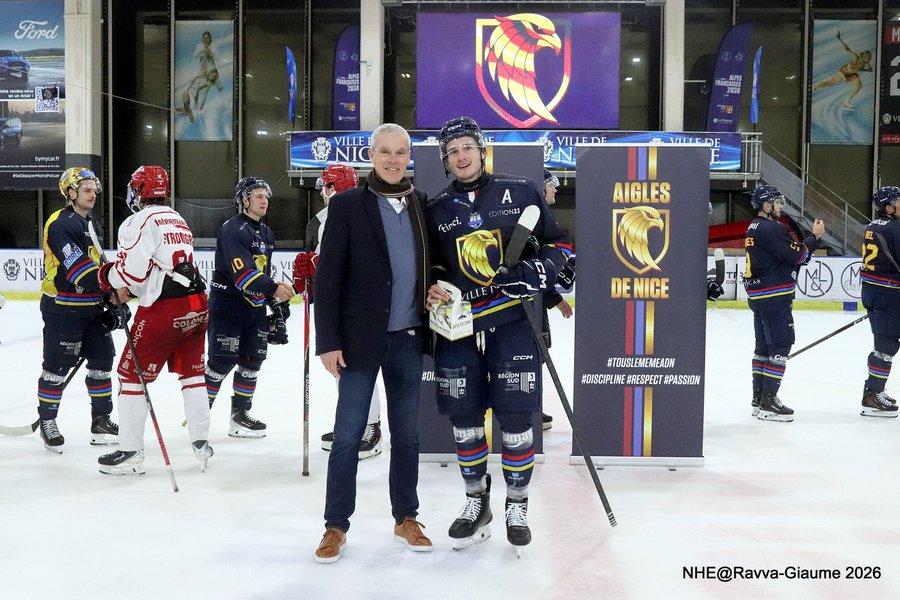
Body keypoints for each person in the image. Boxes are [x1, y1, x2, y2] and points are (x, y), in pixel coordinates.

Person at [425, 116, 571, 552]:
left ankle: (517, 503)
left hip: (512, 323)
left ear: (482, 150)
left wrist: (535, 271)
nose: (461, 156)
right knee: (464, 419)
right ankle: (477, 501)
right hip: (459, 328)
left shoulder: (521, 191)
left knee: (516, 419)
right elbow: (432, 265)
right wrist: (431, 284)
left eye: (467, 147)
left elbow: (559, 246)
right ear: (446, 160)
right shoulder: (436, 209)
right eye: (452, 151)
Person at [312, 123, 432, 562]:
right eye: (385, 152)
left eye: (401, 152)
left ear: (408, 157)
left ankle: (406, 517)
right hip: (358, 341)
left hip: (407, 339)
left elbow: (430, 265)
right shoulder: (347, 206)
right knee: (347, 436)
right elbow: (328, 279)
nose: (394, 160)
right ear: (371, 156)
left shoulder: (420, 204)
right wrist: (328, 341)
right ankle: (335, 525)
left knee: (407, 435)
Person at [95, 166, 211, 475]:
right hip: (198, 304)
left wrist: (107, 276)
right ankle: (201, 443)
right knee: (193, 375)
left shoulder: (137, 221)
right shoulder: (177, 218)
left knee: (131, 376)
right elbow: (160, 268)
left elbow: (133, 274)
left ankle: (130, 453)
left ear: (139, 191)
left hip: (165, 309)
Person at [294, 163, 383, 459]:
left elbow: (352, 262)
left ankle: (370, 427)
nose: (322, 191)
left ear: (332, 187)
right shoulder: (332, 216)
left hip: (356, 307)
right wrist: (311, 267)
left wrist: (316, 265)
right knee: (343, 368)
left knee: (356, 367)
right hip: (343, 307)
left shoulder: (346, 214)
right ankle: (354, 423)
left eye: (325, 185)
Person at [33, 168, 121, 453]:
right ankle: (48, 422)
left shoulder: (91, 222)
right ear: (70, 192)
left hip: (91, 310)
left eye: (94, 189)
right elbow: (79, 271)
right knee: (56, 368)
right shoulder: (60, 224)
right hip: (63, 309)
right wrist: (114, 287)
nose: (92, 194)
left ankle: (101, 421)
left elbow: (98, 266)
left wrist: (111, 300)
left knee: (102, 363)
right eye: (86, 189)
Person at [205, 177, 295, 439]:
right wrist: (273, 289)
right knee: (221, 362)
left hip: (254, 309)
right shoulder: (232, 229)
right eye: (257, 196)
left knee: (252, 361)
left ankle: (240, 416)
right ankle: (199, 415)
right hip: (228, 307)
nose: (264, 200)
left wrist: (274, 303)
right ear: (244, 200)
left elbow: (261, 272)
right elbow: (243, 275)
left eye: (265, 196)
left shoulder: (266, 233)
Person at [743, 185, 825, 422]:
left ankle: (759, 400)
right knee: (780, 345)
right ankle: (768, 401)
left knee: (763, 348)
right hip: (774, 296)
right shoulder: (772, 228)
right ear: (766, 205)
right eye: (777, 202)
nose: (780, 207)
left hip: (760, 296)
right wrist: (814, 237)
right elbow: (798, 255)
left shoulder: (754, 226)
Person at [537, 168, 574, 431]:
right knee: (531, 354)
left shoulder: (545, 218)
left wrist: (555, 298)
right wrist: (554, 297)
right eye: (551, 183)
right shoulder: (537, 220)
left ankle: (532, 408)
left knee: (538, 354)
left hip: (537, 303)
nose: (556, 188)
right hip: (527, 305)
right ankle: (528, 409)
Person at [858, 186, 900, 418]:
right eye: (898, 201)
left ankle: (875, 390)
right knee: (886, 346)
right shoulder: (895, 228)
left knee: (885, 343)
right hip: (887, 294)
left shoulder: (872, 226)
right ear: (888, 207)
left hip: (874, 292)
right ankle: (872, 395)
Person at [812, 30, 873, 111]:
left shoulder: (864, 64)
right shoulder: (855, 56)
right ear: (863, 56)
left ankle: (846, 102)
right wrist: (839, 39)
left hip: (852, 75)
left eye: (868, 59)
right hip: (844, 72)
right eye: (867, 58)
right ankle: (815, 87)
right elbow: (846, 48)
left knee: (858, 86)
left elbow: (868, 70)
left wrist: (868, 66)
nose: (867, 60)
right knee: (830, 83)